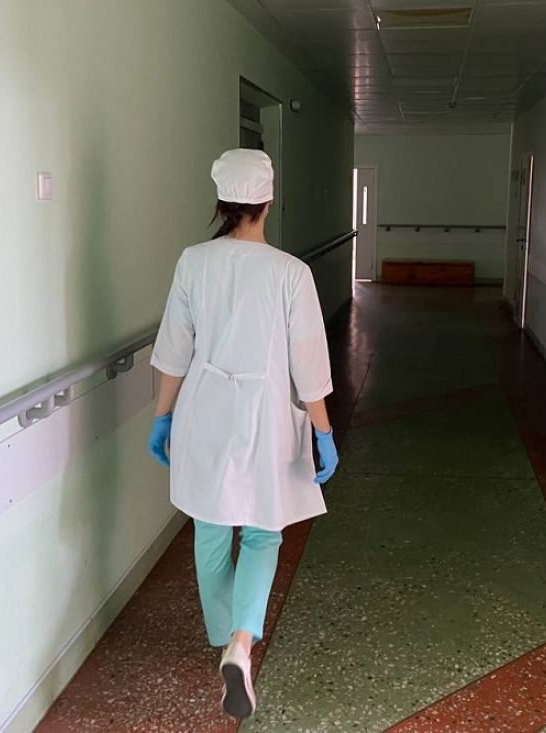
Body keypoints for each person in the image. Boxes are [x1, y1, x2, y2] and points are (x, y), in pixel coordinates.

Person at [146, 148, 339, 720]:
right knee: (262, 532)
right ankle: (241, 642)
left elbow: (174, 350)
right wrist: (323, 431)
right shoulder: (290, 272)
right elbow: (309, 365)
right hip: (265, 414)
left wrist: (162, 416)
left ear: (222, 202)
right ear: (268, 201)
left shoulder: (193, 262)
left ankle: (224, 638)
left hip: (204, 409)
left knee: (210, 528)